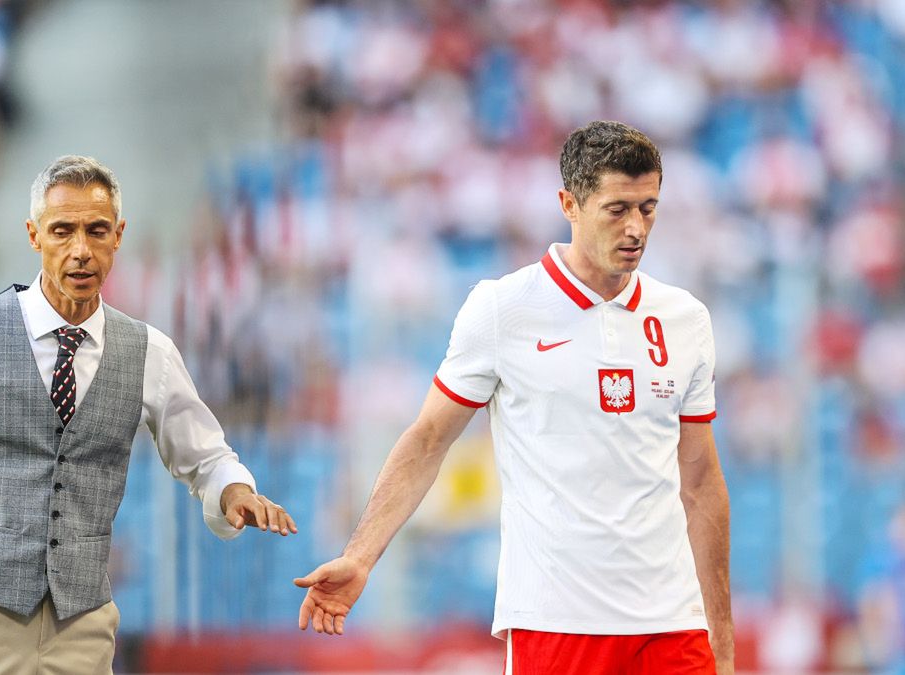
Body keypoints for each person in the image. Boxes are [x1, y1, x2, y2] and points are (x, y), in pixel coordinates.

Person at [294, 121, 733, 674]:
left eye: (648, 208)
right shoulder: (503, 309)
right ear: (569, 204)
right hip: (557, 623)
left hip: (672, 625)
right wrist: (360, 558)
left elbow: (701, 483)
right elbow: (428, 439)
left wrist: (720, 633)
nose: (636, 228)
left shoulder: (685, 319)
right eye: (617, 209)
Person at [0, 155, 297, 675]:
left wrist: (234, 491)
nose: (81, 250)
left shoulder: (149, 352)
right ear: (34, 236)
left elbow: (206, 457)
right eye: (62, 231)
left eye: (97, 231)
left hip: (82, 627)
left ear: (119, 236)